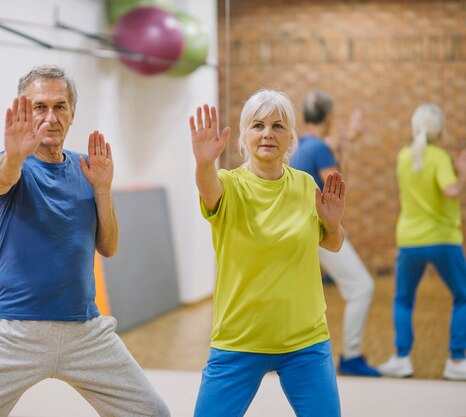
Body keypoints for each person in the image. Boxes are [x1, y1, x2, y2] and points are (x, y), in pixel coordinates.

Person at [0, 65, 170, 417]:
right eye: (39, 107)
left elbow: (108, 247)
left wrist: (103, 189)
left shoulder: (87, 167)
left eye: (59, 106)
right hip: (14, 333)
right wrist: (14, 155)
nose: (50, 117)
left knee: (152, 413)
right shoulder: (9, 165)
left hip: (85, 331)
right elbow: (4, 178)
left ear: (72, 113)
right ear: (23, 111)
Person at [191, 89, 345, 417]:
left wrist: (332, 224)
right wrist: (204, 162)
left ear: (291, 136)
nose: (267, 134)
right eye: (257, 125)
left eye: (278, 126)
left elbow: (333, 243)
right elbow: (208, 190)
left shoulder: (306, 186)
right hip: (238, 340)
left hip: (305, 341)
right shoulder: (228, 185)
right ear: (244, 136)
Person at [289, 91, 380, 377]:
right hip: (316, 233)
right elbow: (337, 188)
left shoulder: (301, 146)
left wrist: (348, 138)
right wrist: (347, 149)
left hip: (297, 232)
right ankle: (351, 356)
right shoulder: (318, 149)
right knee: (362, 286)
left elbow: (327, 146)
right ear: (329, 117)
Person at [378, 103, 466, 381]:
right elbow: (450, 191)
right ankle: (457, 360)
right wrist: (463, 171)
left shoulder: (403, 156)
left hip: (410, 239)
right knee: (463, 296)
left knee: (403, 299)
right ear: (439, 130)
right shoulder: (440, 157)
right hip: (443, 238)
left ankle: (401, 358)